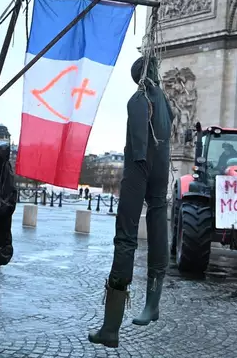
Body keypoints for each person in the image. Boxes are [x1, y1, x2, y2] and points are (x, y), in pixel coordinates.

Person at [88, 55, 173, 348]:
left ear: (139, 77)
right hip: (162, 170)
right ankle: (152, 304)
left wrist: (138, 163)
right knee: (159, 227)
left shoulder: (138, 99)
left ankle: (111, 328)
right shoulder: (165, 102)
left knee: (125, 239)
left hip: (139, 169)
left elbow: (138, 144)